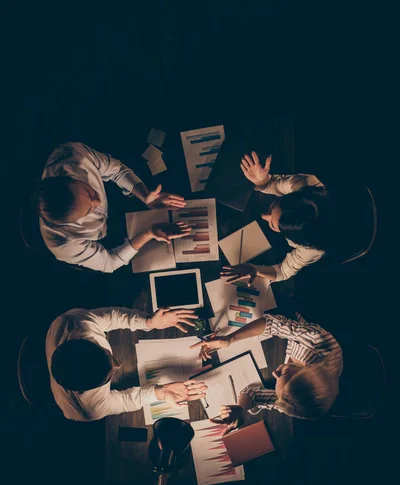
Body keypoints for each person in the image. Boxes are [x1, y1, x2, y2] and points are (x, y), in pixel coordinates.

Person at [36, 142, 191, 272]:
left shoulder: (73, 155)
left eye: (88, 192)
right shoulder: (63, 245)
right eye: (89, 211)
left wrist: (145, 196)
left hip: (118, 194)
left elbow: (116, 171)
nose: (98, 203)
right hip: (110, 239)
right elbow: (109, 262)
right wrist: (148, 234)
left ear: (70, 178)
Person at [46, 306, 208, 421]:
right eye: (108, 376)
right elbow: (123, 402)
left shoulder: (72, 322)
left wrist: (149, 322)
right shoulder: (89, 410)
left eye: (107, 355)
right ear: (86, 390)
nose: (118, 365)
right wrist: (162, 392)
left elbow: (112, 317)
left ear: (81, 339)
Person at [190, 312, 343, 430]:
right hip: (308, 317)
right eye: (282, 374)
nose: (274, 374)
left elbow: (254, 394)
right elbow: (272, 324)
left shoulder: (296, 403)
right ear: (308, 369)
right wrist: (230, 339)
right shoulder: (316, 340)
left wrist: (242, 408)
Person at [221, 152, 332, 286]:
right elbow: (273, 184)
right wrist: (262, 181)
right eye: (274, 205)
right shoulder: (304, 185)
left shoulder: (312, 249)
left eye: (273, 225)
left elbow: (283, 272)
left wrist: (255, 269)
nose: (263, 216)